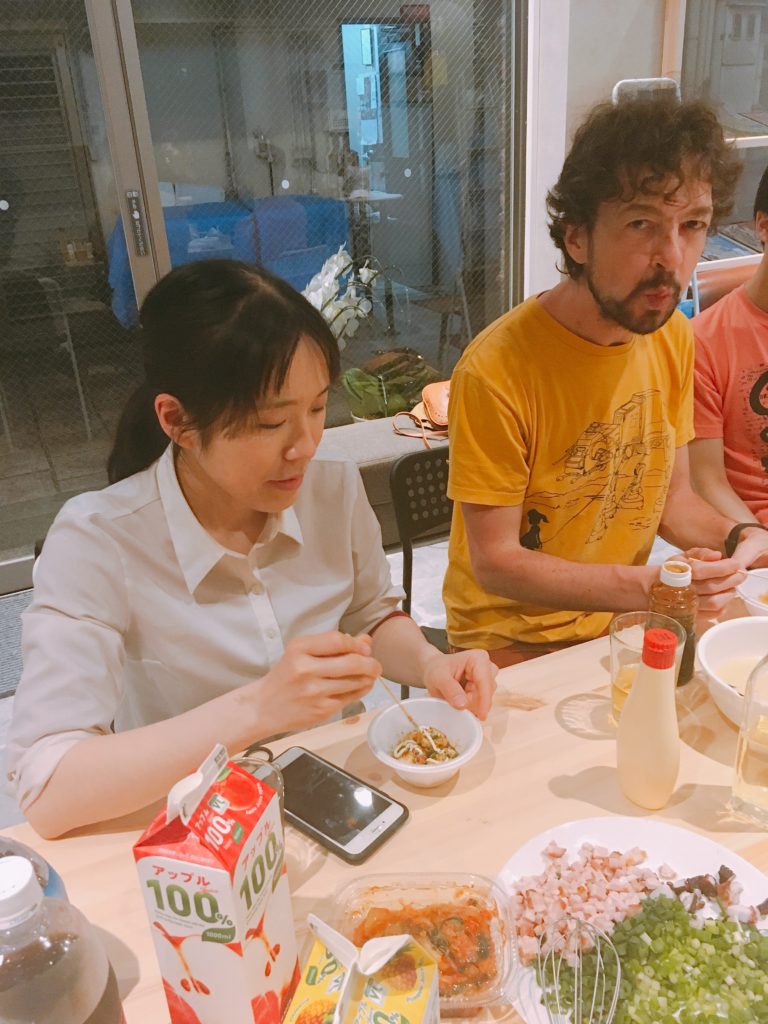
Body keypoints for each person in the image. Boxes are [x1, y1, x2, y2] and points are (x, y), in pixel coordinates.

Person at [8, 260, 496, 839]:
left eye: (317, 408)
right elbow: (47, 789)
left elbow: (370, 615)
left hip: (339, 793)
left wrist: (429, 664)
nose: (305, 446)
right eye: (270, 423)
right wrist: (258, 707)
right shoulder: (97, 541)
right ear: (177, 421)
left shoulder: (332, 490)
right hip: (199, 833)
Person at [443, 95, 768, 667]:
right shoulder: (496, 369)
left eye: (692, 225)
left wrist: (736, 535)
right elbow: (496, 562)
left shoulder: (672, 337)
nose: (672, 256)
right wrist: (650, 587)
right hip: (507, 644)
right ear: (577, 237)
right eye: (642, 224)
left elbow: (674, 501)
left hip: (619, 623)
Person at [690, 164, 768, 526]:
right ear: (763, 226)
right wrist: (756, 541)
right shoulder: (703, 342)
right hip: (752, 536)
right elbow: (706, 483)